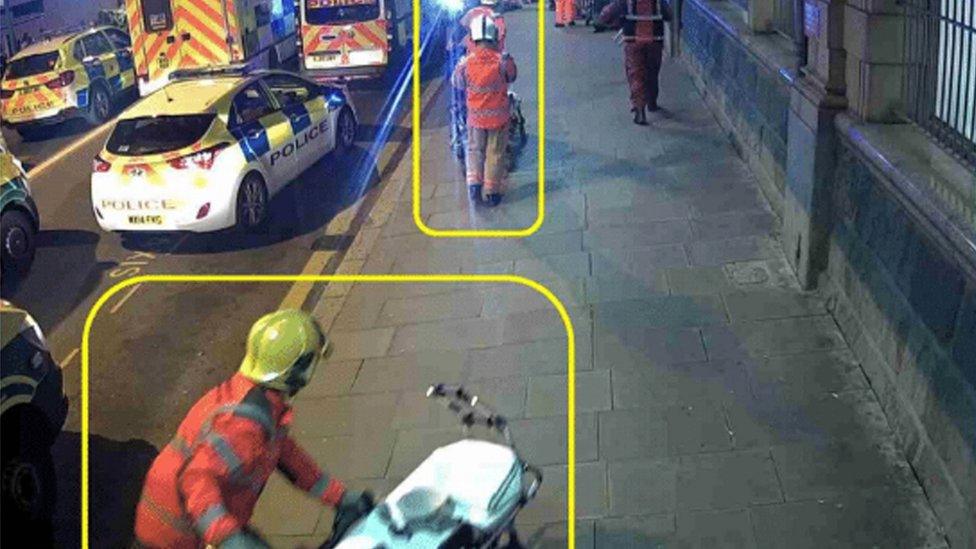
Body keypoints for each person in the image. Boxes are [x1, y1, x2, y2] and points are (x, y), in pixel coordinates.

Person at [132, 310, 374, 548]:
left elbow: (288, 458)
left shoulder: (259, 404)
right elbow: (196, 479)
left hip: (192, 526)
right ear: (298, 370)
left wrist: (339, 497)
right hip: (173, 538)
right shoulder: (243, 425)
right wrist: (231, 540)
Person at [452, 14, 518, 207]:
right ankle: (492, 192)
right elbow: (512, 76)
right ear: (494, 37)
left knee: (474, 150)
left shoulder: (466, 63)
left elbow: (457, 83)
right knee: (495, 153)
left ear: (473, 38)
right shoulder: (502, 60)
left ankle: (473, 184)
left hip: (475, 118)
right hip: (499, 118)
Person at [598, 0, 672, 125]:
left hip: (633, 40)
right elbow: (669, 15)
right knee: (652, 72)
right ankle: (652, 102)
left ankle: (639, 110)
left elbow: (608, 13)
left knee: (636, 74)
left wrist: (603, 20)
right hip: (655, 40)